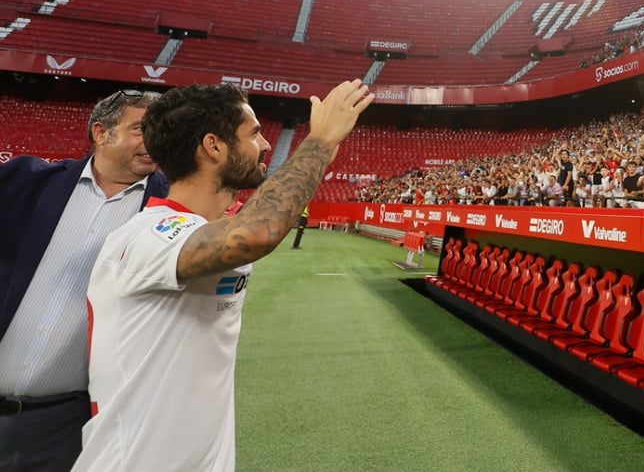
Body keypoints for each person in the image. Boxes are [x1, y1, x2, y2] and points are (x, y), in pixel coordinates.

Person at [73, 80, 372, 472]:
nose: (266, 146)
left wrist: (328, 146)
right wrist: (317, 141)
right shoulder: (144, 235)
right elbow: (256, 233)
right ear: (213, 146)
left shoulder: (206, 226)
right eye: (254, 134)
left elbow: (250, 222)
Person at [0, 90, 168, 472]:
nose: (155, 141)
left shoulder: (171, 212)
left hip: (63, 426)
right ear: (101, 132)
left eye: (162, 131)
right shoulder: (23, 182)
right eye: (142, 129)